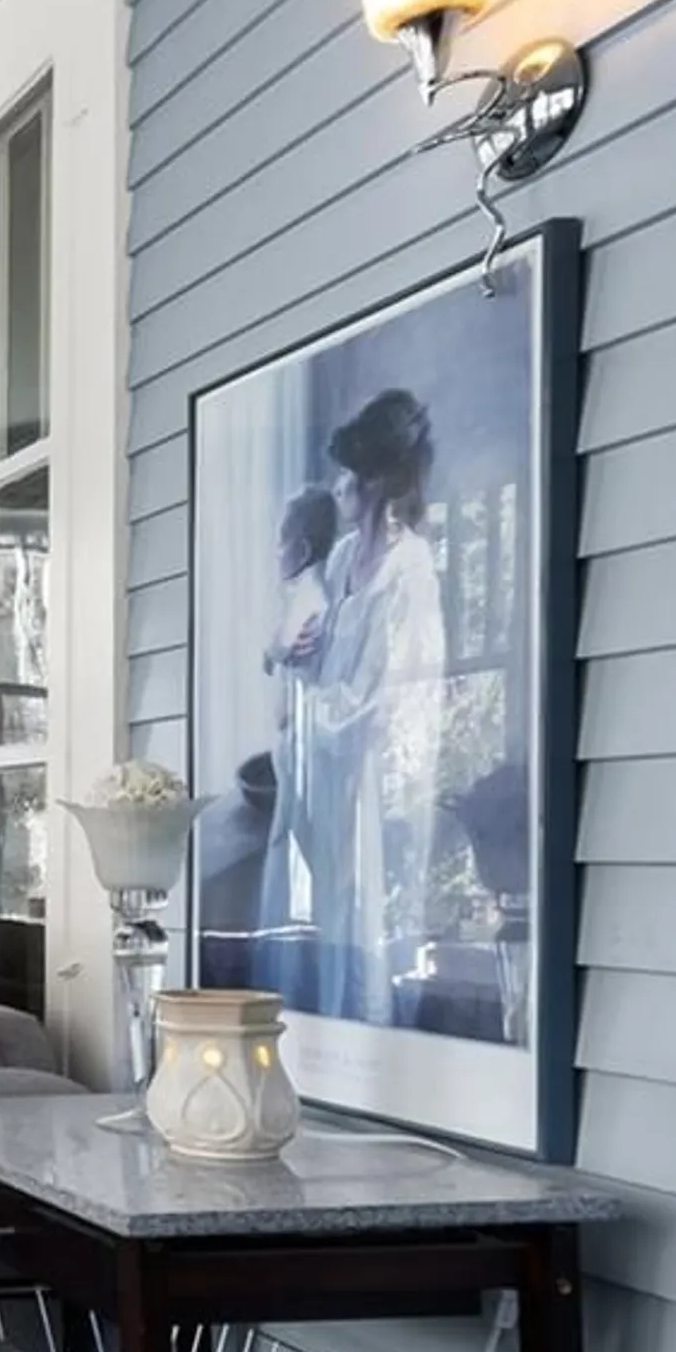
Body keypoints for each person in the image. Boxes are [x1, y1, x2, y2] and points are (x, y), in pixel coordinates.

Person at [287, 390, 446, 1025]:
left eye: (349, 475)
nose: (339, 487)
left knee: (368, 912)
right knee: (333, 911)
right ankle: (330, 1034)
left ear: (376, 482)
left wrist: (325, 716)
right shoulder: (342, 559)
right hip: (331, 767)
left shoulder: (410, 568)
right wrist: (299, 653)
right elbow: (318, 651)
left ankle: (371, 1033)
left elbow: (397, 687)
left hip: (374, 769)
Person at [257, 483, 339, 942]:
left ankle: (280, 925)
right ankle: (314, 920)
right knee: (301, 834)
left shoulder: (309, 592)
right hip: (298, 738)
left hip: (302, 741)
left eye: (281, 544)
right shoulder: (315, 591)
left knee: (291, 834)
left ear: (303, 550)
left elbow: (278, 647)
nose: (276, 554)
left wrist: (273, 651)